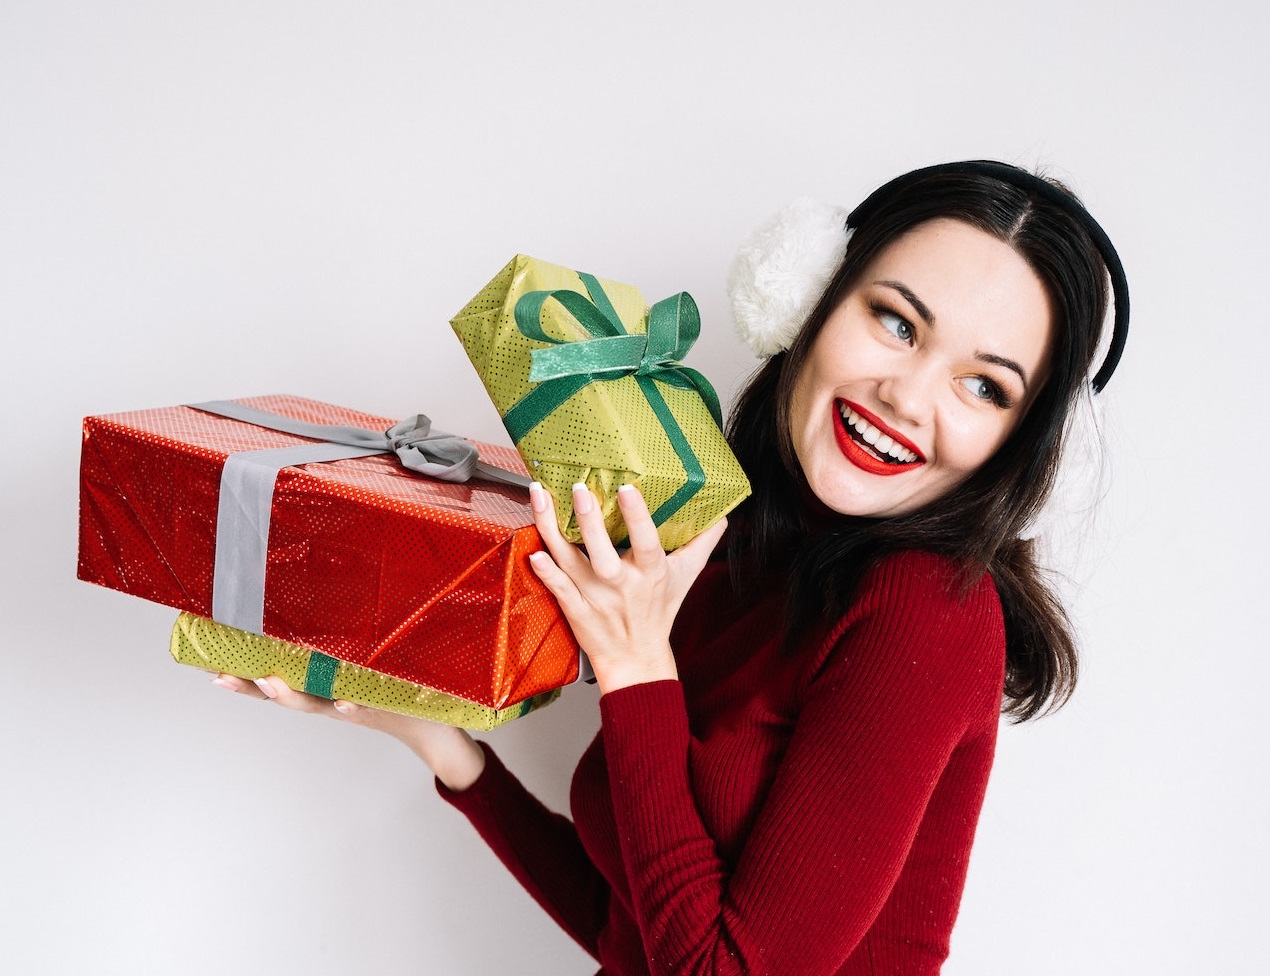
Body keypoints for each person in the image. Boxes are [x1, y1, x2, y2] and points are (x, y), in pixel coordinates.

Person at [213, 160, 1128, 975]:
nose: (908, 394)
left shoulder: (925, 612)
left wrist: (635, 664)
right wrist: (441, 747)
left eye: (985, 385)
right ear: (808, 299)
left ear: (1016, 445)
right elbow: (638, 932)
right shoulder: (720, 543)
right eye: (896, 321)